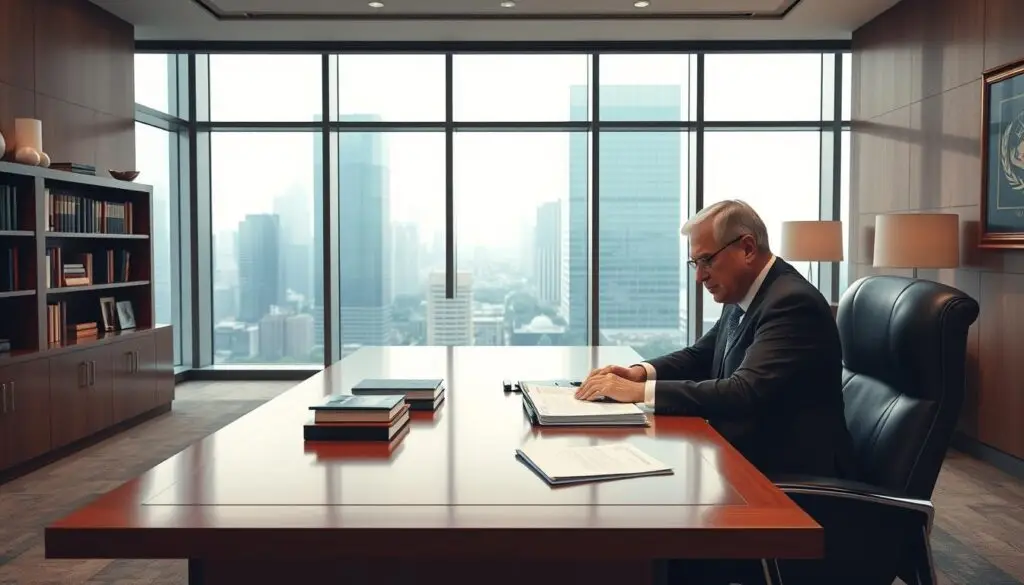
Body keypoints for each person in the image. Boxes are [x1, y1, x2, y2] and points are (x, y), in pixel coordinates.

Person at [576, 199, 855, 480]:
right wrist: (639, 374)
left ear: (747, 248)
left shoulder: (791, 303)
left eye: (707, 260)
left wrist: (639, 393)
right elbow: (701, 355)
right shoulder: (743, 292)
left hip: (790, 478)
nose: (699, 276)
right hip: (740, 459)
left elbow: (744, 391)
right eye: (695, 263)